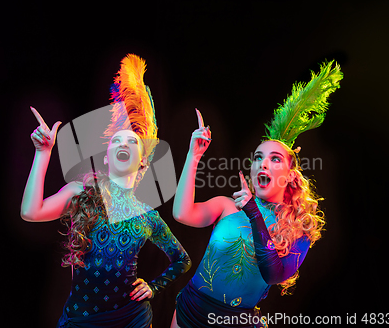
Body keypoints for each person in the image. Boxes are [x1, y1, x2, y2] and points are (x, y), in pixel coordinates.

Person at [20, 54, 191, 328]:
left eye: (132, 142)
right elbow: (31, 212)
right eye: (116, 141)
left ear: (143, 159)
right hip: (81, 319)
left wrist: (154, 287)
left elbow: (182, 260)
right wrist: (43, 153)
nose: (123, 144)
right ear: (107, 157)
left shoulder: (146, 215)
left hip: (131, 319)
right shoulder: (82, 191)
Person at [171, 61, 343, 328]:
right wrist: (194, 156)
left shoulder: (298, 230)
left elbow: (274, 273)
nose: (263, 163)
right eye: (258, 157)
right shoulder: (227, 206)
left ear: (291, 176)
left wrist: (253, 211)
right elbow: (182, 213)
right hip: (190, 312)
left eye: (275, 159)